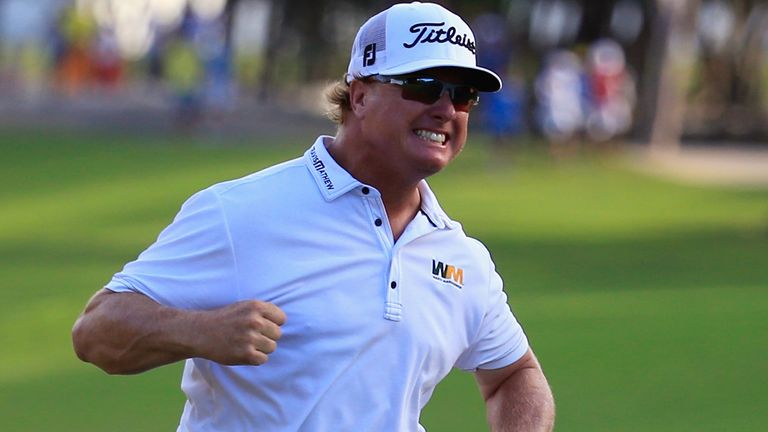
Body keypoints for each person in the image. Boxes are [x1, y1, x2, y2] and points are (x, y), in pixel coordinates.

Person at [72, 2, 555, 431]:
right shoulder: (242, 211)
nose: (446, 109)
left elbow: (515, 376)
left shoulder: (460, 257)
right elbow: (97, 331)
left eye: (464, 95)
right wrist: (199, 332)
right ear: (360, 96)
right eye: (424, 86)